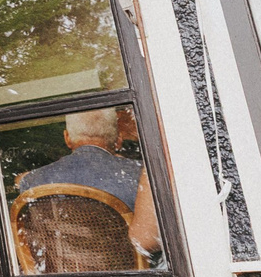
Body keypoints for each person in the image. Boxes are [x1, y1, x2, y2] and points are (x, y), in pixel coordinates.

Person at [14, 107, 160, 256]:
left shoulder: (32, 182)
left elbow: (20, 181)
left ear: (67, 138)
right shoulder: (143, 175)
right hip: (132, 268)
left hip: (63, 269)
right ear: (118, 140)